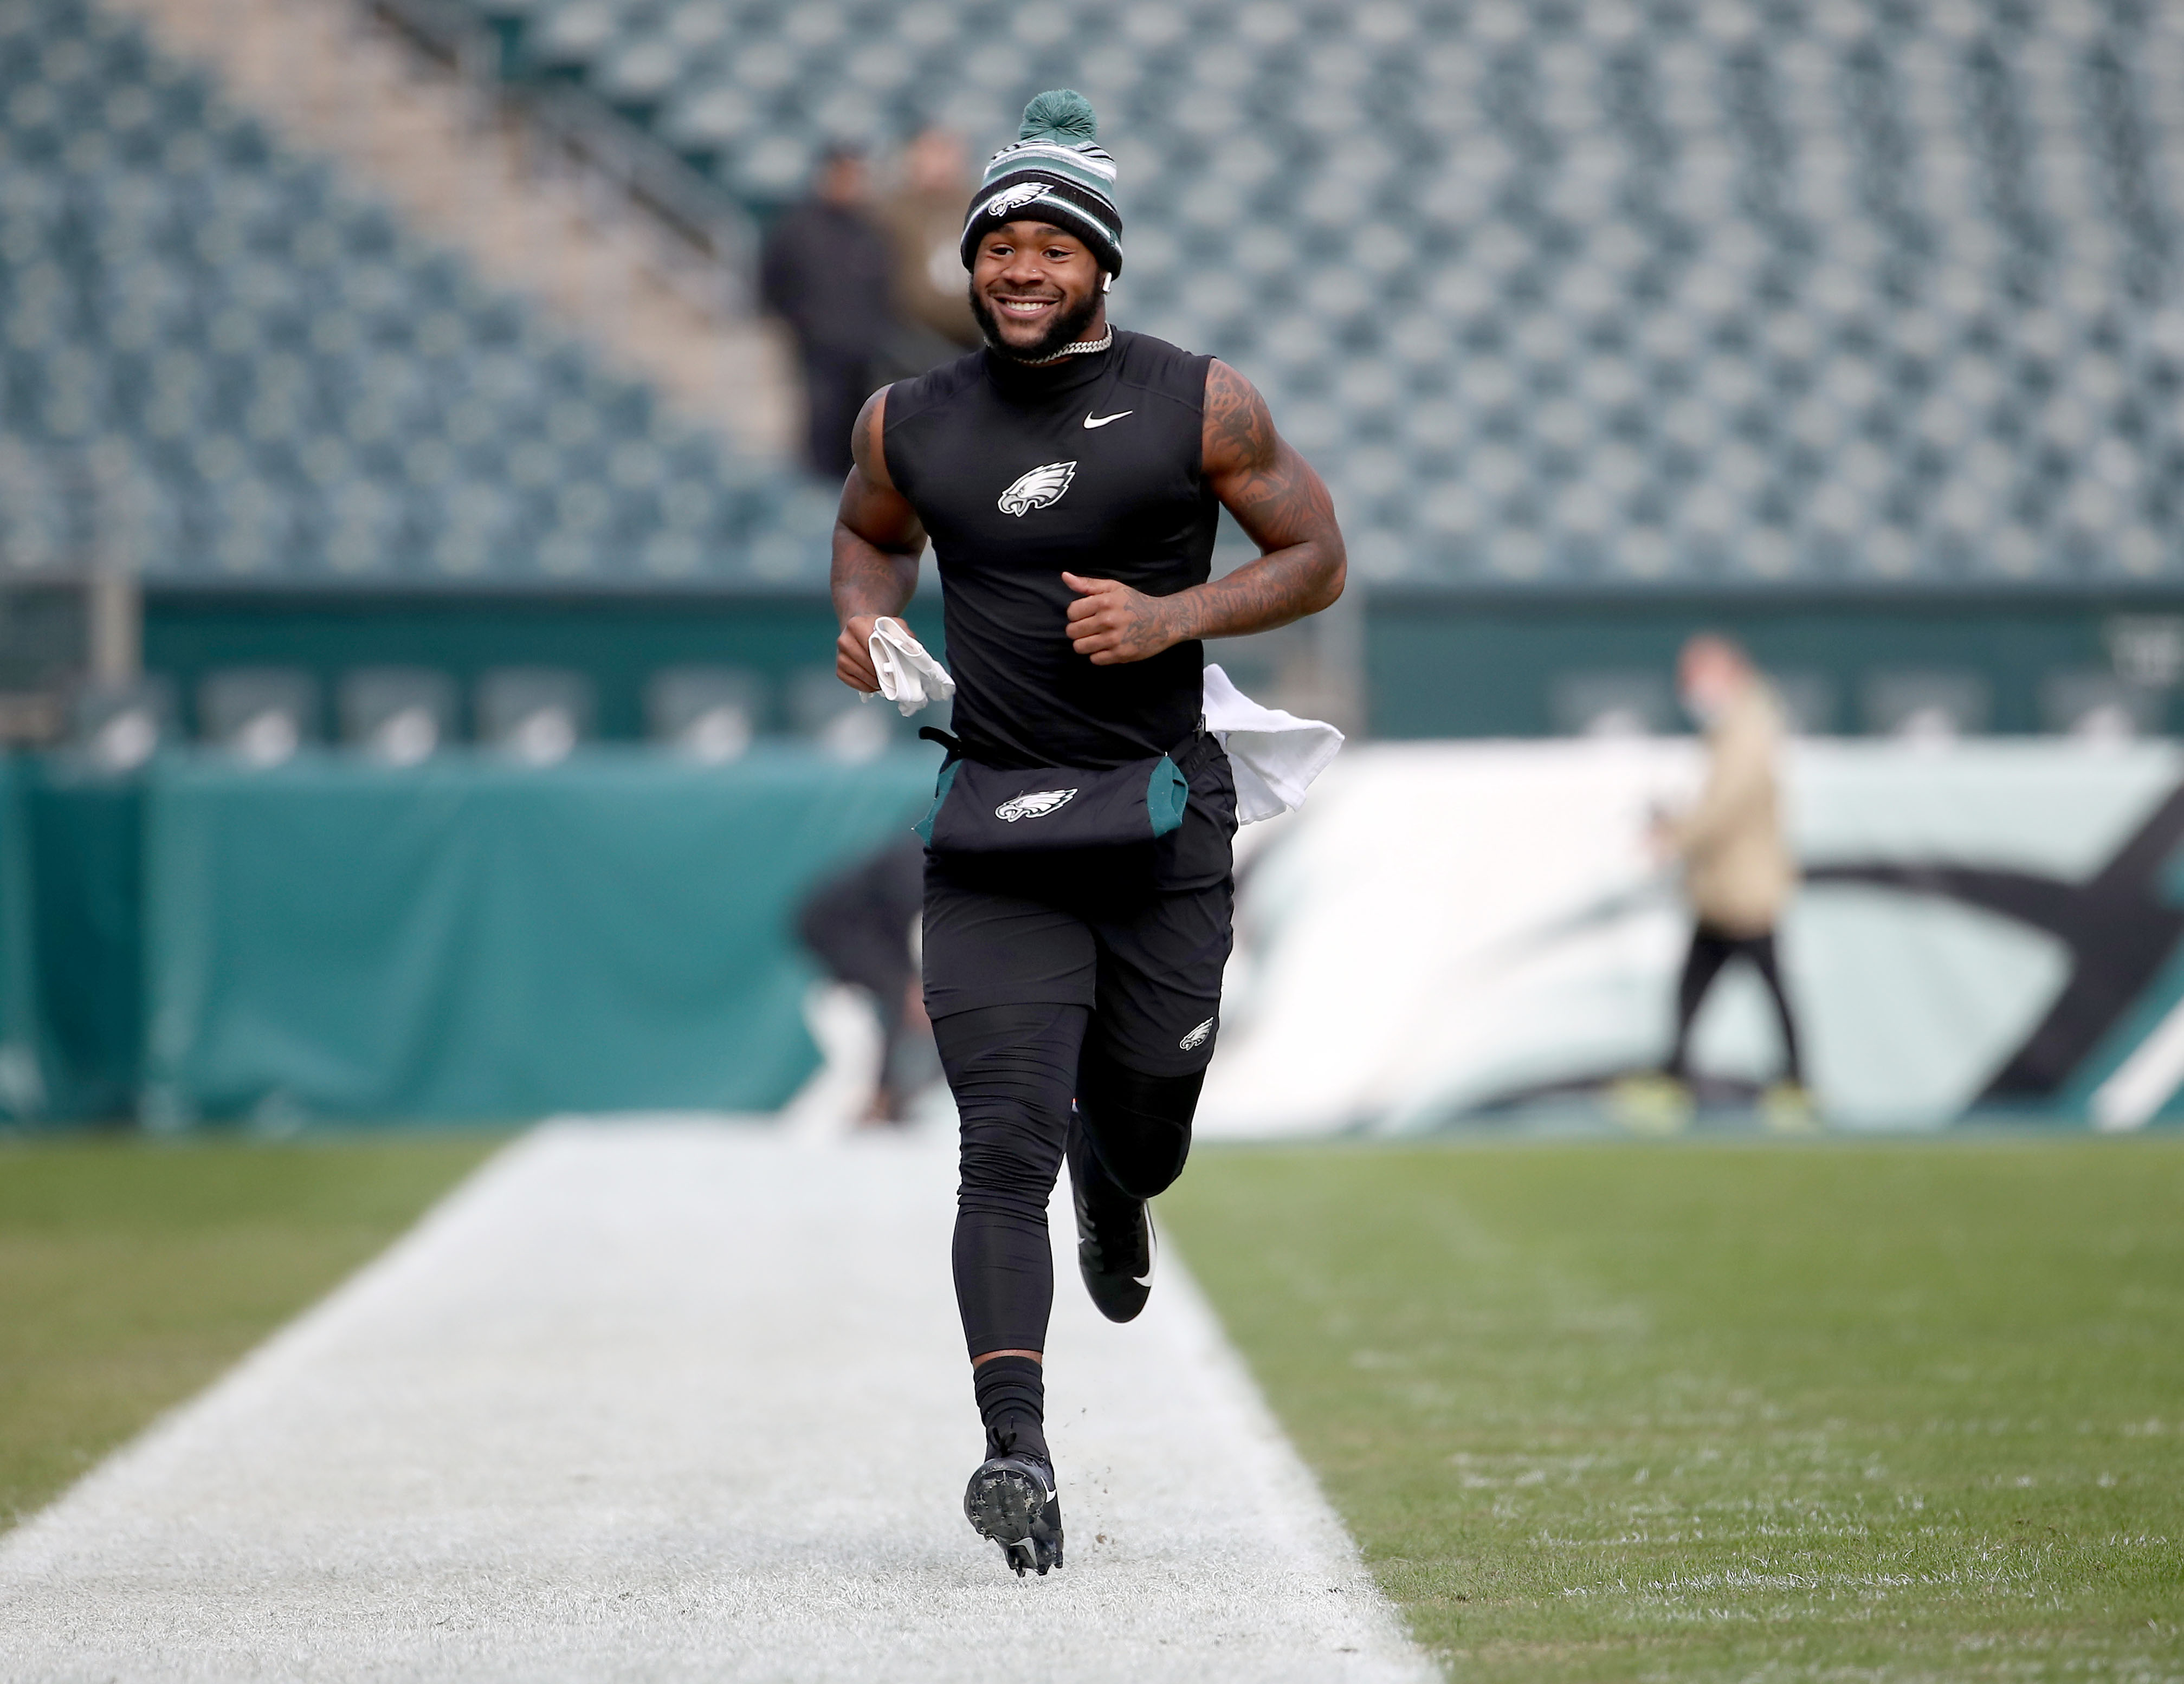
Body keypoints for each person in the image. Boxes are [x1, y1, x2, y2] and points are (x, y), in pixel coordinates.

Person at [829, 90, 1345, 1576]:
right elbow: (868, 531)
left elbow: (1314, 553)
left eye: (1054, 243)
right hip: (993, 825)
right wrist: (862, 623)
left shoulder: (1200, 401)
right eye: (1001, 242)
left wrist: (1176, 613)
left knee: (1142, 1129)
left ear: (1100, 264)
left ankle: (1115, 1184)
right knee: (996, 1145)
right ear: (970, 262)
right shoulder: (905, 417)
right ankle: (1014, 1449)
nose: (1021, 266)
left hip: (1163, 823)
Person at [1647, 634, 1809, 1119]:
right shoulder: (1734, 726)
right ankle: (1674, 1077)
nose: (1690, 688)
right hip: (1721, 887)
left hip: (1744, 888)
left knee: (1766, 986)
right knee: (1694, 990)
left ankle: (1798, 1084)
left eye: (1698, 676)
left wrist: (1674, 838)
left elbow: (1726, 805)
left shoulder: (1748, 726)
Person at [759, 145, 894, 478]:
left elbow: (885, 290)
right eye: (845, 175)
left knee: (860, 440)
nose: (852, 184)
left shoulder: (870, 229)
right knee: (822, 431)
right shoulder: (797, 228)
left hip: (864, 355)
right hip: (818, 353)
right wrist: (802, 324)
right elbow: (771, 284)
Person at [793, 835, 930, 1124]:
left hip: (875, 930)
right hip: (834, 925)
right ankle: (879, 1098)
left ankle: (886, 1099)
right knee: (865, 1041)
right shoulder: (919, 859)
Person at [873, 126, 981, 373]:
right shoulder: (894, 211)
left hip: (974, 333)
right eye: (931, 154)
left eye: (946, 154)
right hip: (912, 336)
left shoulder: (977, 203)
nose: (939, 164)